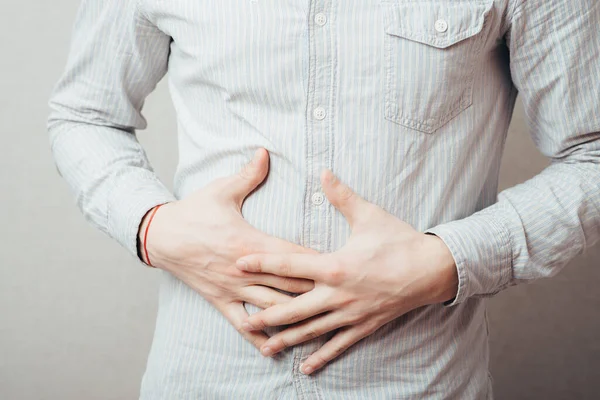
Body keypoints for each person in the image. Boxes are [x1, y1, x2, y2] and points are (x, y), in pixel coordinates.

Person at [48, 0, 600, 398]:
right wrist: (154, 228)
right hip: (202, 377)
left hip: (420, 382)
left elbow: (592, 156)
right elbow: (84, 115)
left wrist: (445, 261)